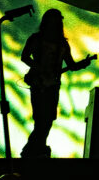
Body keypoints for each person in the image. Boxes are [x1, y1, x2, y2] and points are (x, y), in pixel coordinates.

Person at [21, 9, 93, 158]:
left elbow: (71, 65)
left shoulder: (62, 44)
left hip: (53, 87)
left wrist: (84, 64)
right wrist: (39, 68)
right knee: (41, 120)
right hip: (39, 84)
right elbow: (25, 57)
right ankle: (33, 150)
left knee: (47, 120)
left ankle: (34, 150)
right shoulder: (36, 39)